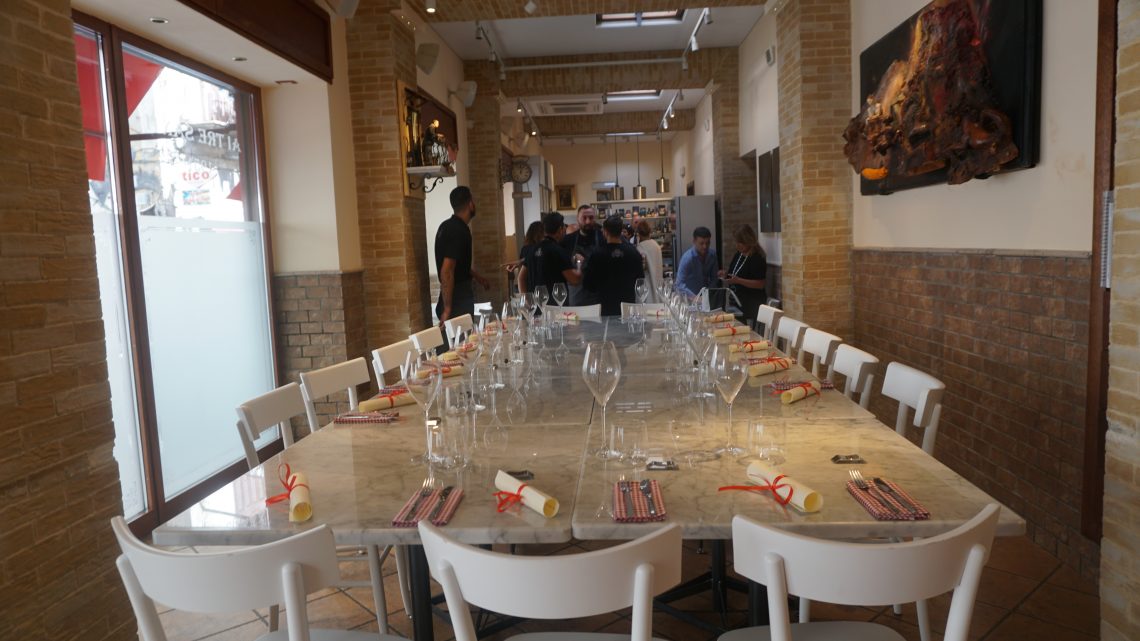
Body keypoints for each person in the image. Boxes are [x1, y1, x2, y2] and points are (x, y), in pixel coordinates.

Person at [435, 186, 489, 326]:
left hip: (451, 294)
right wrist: (447, 309)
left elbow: (457, 263)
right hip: (457, 299)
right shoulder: (458, 230)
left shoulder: (445, 226)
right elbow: (447, 271)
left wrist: (477, 277)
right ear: (470, 204)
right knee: (462, 339)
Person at [583, 215, 645, 316]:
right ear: (621, 231)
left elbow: (588, 284)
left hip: (604, 307)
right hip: (627, 307)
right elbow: (640, 281)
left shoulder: (597, 254)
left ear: (605, 231)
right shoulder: (633, 252)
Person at [719, 224, 767, 322]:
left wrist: (738, 281)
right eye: (736, 242)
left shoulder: (757, 258)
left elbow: (760, 284)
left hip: (750, 302)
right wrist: (726, 274)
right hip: (736, 300)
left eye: (740, 243)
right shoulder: (739, 254)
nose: (737, 245)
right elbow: (735, 273)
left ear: (748, 241)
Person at [560, 204, 604, 305]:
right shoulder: (568, 240)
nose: (588, 221)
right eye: (584, 218)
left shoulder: (603, 238)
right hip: (576, 293)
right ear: (577, 219)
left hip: (598, 293)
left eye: (591, 218)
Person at [533, 211, 581, 301]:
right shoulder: (558, 251)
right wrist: (579, 263)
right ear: (560, 229)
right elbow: (574, 280)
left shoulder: (533, 249)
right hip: (557, 303)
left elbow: (521, 277)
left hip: (537, 302)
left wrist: (525, 298)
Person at [675, 226, 718, 300]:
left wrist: (707, 294)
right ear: (694, 241)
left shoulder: (712, 255)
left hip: (706, 297)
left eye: (707, 243)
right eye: (701, 243)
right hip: (689, 299)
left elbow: (714, 278)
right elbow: (679, 284)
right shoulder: (687, 258)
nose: (705, 246)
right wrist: (696, 298)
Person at [512, 220, 545, 293]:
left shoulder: (525, 248)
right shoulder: (542, 248)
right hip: (539, 282)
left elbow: (523, 264)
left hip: (527, 283)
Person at [634, 220, 663, 303]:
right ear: (649, 232)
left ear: (638, 234)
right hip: (658, 288)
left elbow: (641, 268)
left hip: (646, 290)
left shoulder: (640, 248)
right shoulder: (657, 246)